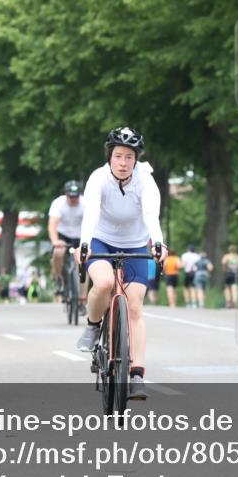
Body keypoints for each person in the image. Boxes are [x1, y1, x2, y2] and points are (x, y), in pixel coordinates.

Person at [74, 127, 166, 401]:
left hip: (136, 244)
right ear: (110, 157)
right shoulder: (98, 178)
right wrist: (84, 244)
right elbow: (90, 213)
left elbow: (151, 213)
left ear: (136, 160)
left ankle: (137, 374)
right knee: (103, 283)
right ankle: (92, 325)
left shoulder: (145, 181)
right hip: (101, 241)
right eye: (118, 156)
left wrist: (158, 243)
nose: (123, 163)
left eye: (129, 157)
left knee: (135, 306)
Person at [48, 181, 85, 298]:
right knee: (58, 252)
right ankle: (59, 277)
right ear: (66, 194)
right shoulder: (58, 203)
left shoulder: (85, 203)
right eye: (70, 197)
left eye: (76, 197)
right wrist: (55, 241)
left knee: (84, 262)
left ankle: (82, 296)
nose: (73, 200)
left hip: (80, 236)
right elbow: (52, 225)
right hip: (63, 235)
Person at [221, 244, 238, 309]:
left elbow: (223, 262)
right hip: (236, 273)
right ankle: (235, 304)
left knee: (227, 288)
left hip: (229, 272)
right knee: (235, 289)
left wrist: (224, 268)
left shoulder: (227, 256)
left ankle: (228, 303)